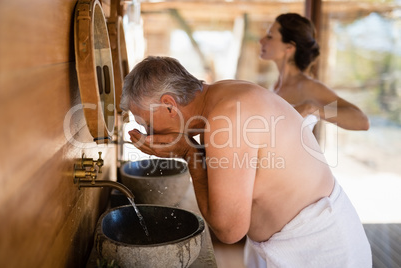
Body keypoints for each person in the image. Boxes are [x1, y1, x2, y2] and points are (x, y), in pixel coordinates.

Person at [120, 56, 372, 267]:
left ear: (169, 105)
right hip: (306, 242)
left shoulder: (226, 118)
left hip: (322, 252)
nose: (149, 134)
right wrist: (189, 146)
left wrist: (188, 154)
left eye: (147, 123)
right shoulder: (220, 94)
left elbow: (229, 230)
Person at [259, 13, 370, 131]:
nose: (261, 40)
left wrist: (312, 109)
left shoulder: (308, 87)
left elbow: (362, 121)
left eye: (270, 36)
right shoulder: (275, 87)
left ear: (289, 47)